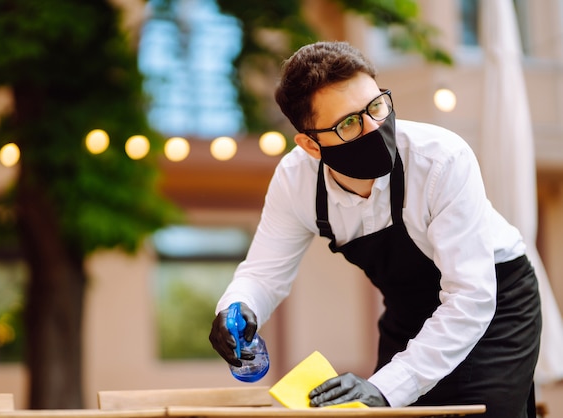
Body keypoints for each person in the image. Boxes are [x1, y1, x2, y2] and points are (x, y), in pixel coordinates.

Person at [209, 41, 541, 418]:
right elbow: (263, 274)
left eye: (376, 106)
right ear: (311, 145)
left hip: (495, 304)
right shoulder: (295, 181)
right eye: (349, 123)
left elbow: (470, 298)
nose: (373, 126)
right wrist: (236, 307)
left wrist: (385, 386)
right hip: (408, 311)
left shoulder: (441, 159)